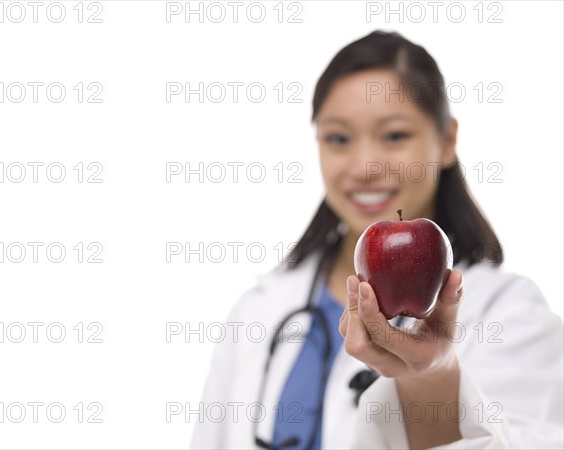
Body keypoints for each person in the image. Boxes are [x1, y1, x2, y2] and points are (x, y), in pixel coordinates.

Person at [190, 30, 563, 449]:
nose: (364, 167)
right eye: (338, 139)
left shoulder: (510, 314)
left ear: (447, 139)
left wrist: (430, 374)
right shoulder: (259, 307)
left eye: (394, 135)